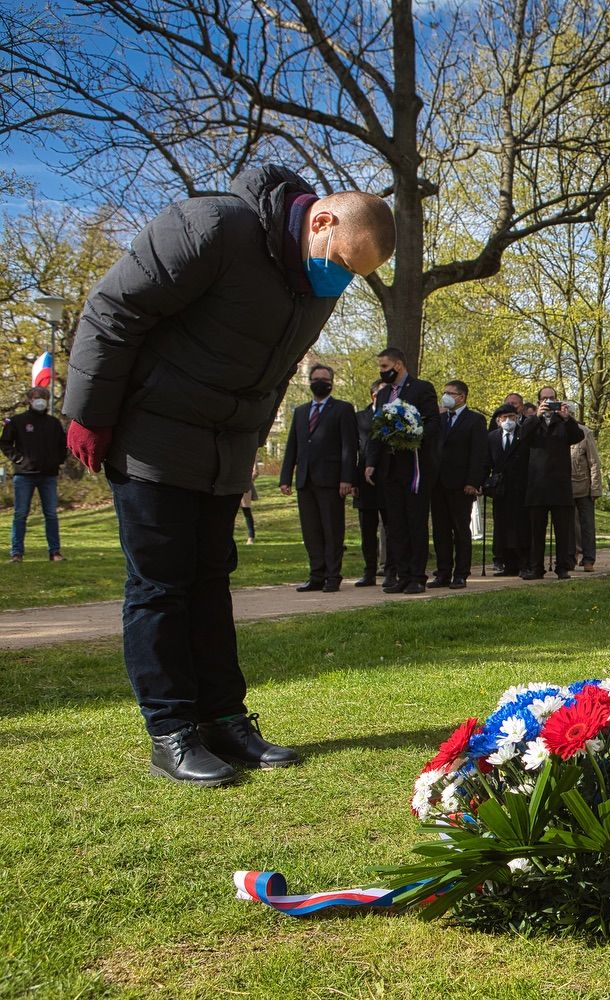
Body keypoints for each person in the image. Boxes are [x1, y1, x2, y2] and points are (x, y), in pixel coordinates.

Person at [61, 165, 394, 786]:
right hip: (152, 437)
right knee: (160, 585)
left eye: (355, 274)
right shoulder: (213, 225)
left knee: (211, 582)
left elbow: (269, 381)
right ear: (321, 222)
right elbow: (115, 308)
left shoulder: (316, 287)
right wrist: (88, 414)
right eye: (342, 262)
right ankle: (171, 728)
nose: (342, 279)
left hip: (219, 453)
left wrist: (239, 464)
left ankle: (224, 718)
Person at [364, 347, 439, 595]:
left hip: (415, 467)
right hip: (390, 469)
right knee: (395, 525)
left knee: (415, 522)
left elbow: (433, 423)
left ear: (398, 365)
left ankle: (418, 576)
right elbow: (376, 430)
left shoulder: (421, 389)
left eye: (384, 367)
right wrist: (371, 462)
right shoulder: (384, 394)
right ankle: (402, 575)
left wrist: (411, 435)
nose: (381, 372)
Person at [279, 364, 357, 592]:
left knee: (332, 530)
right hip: (305, 480)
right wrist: (285, 477)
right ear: (309, 381)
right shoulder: (301, 411)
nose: (319, 382)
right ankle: (316, 576)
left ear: (331, 382)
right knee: (311, 531)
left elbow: (349, 447)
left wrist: (347, 478)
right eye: (315, 378)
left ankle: (333, 577)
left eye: (324, 379)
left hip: (332, 481)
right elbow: (292, 446)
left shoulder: (343, 409)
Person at [520, 387, 584, 579]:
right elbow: (523, 437)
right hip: (537, 485)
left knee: (562, 530)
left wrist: (567, 418)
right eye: (544, 399)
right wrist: (536, 417)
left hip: (559, 484)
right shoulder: (533, 422)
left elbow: (577, 437)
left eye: (552, 398)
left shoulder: (563, 422)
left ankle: (562, 566)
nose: (548, 402)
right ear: (538, 401)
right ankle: (536, 567)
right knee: (536, 530)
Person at [430, 379, 487, 589]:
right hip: (438, 484)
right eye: (444, 392)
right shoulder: (440, 419)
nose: (445, 396)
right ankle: (443, 572)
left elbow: (479, 453)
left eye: (449, 393)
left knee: (460, 530)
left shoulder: (474, 420)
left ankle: (461, 573)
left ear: (461, 397)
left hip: (461, 484)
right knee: (440, 530)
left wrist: (473, 481)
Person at [3, 387, 68, 563]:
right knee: (21, 514)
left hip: (48, 476)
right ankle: (17, 554)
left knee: (51, 514)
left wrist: (58, 461)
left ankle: (55, 553)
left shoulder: (53, 423)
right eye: (37, 397)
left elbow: (63, 446)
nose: (41, 401)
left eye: (44, 398)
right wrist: (19, 460)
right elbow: (6, 444)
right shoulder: (17, 421)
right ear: (29, 400)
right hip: (24, 475)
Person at [485, 402, 529, 575]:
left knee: (521, 527)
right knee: (503, 527)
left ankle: (524, 564)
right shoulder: (492, 438)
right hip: (500, 490)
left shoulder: (523, 435)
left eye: (512, 417)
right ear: (498, 420)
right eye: (505, 418)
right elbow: (486, 462)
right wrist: (483, 482)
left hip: (520, 487)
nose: (508, 421)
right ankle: (508, 564)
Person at [352, 381, 387, 587]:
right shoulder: (358, 418)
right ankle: (369, 571)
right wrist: (353, 479)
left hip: (388, 478)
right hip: (364, 482)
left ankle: (391, 568)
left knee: (390, 527)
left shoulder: (395, 415)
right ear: (373, 395)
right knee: (367, 529)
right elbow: (352, 449)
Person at [570, 414, 603, 571]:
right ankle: (570, 556)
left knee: (587, 525)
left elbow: (594, 462)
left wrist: (595, 488)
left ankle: (588, 558)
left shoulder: (585, 433)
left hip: (583, 488)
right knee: (568, 526)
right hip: (564, 489)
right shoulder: (556, 432)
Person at [240, 468, 258, 545]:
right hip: (230, 484)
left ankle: (251, 536)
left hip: (244, 483)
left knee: (246, 509)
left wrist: (248, 481)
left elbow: (256, 471)